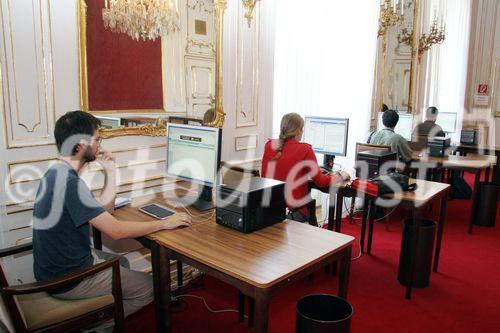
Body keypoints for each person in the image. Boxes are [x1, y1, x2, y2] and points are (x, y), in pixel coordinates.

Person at [32, 111, 192, 333]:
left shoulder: (57, 172)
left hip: (54, 269)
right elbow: (115, 231)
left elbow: (106, 212)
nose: (100, 144)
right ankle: (98, 325)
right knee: (152, 288)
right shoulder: (69, 183)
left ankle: (103, 317)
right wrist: (165, 223)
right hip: (68, 279)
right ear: (80, 145)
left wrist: (110, 172)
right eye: (97, 139)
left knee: (121, 263)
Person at [261, 113, 350, 223]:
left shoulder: (269, 145)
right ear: (299, 130)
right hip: (292, 214)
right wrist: (340, 176)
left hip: (269, 212)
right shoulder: (305, 149)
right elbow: (321, 182)